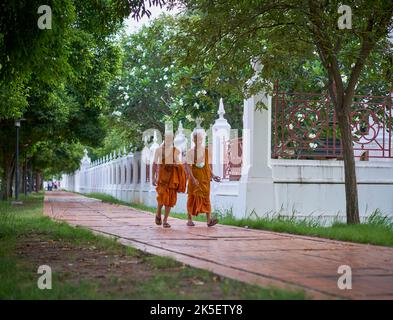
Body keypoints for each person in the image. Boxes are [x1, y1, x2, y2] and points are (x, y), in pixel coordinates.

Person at [184, 131, 221, 227]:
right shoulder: (190, 152)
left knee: (206, 198)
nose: (199, 141)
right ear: (193, 140)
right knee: (191, 198)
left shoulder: (206, 151)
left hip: (204, 179)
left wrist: (213, 175)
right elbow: (187, 166)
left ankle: (209, 221)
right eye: (197, 139)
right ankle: (189, 220)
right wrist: (192, 178)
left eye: (200, 139)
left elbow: (207, 165)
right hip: (194, 179)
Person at [152, 132, 186, 228]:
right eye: (167, 138)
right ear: (164, 138)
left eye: (171, 139)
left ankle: (165, 220)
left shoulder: (175, 150)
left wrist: (176, 165)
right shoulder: (159, 150)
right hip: (163, 178)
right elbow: (154, 164)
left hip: (172, 178)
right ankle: (158, 213)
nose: (169, 141)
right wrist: (152, 177)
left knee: (170, 199)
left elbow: (178, 162)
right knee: (162, 197)